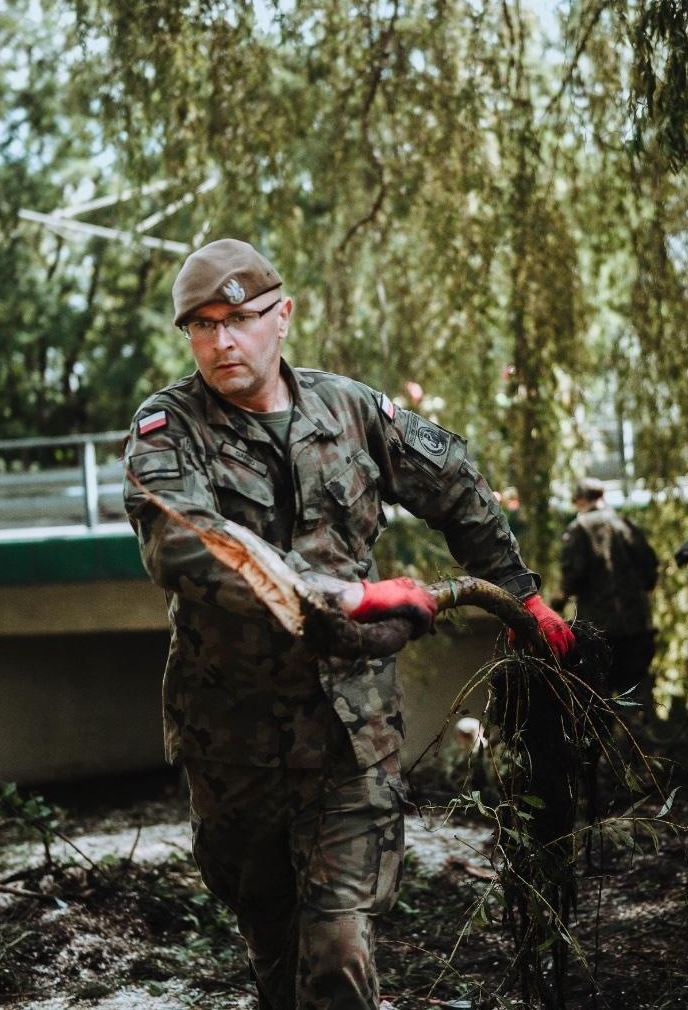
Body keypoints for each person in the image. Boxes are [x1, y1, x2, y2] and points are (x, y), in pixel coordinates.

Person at [121, 238, 574, 1010]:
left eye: (239, 320)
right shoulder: (169, 427)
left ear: (283, 317)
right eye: (202, 325)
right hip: (234, 745)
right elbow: (184, 543)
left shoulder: (350, 409)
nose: (222, 341)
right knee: (275, 950)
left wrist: (519, 595)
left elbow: (454, 481)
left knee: (337, 949)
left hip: (351, 738)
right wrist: (346, 596)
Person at [559, 478, 660, 699]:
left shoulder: (579, 528)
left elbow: (572, 577)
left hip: (600, 632)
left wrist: (557, 602)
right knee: (637, 698)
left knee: (600, 699)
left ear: (579, 501)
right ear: (602, 497)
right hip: (637, 628)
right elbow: (649, 570)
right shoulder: (627, 524)